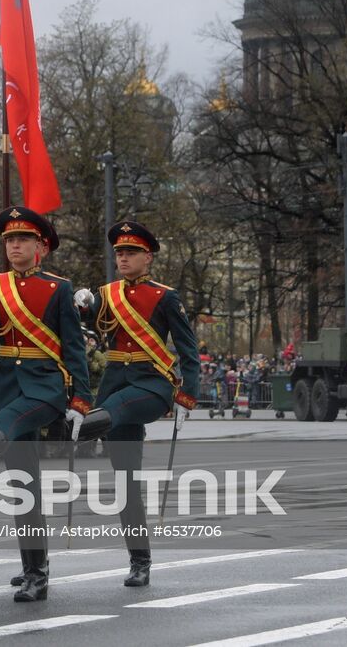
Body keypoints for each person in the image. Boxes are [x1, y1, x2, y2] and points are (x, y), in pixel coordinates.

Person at [0, 205, 99, 602]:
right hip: (6, 385)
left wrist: (80, 400)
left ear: (41, 247)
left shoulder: (58, 288)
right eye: (9, 240)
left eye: (22, 240)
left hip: (43, 387)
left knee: (7, 424)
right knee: (23, 484)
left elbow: (74, 347)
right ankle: (35, 568)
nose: (14, 245)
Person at [73, 220, 200, 588]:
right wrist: (82, 307)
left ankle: (74, 430)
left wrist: (187, 394)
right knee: (126, 481)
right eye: (119, 253)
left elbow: (188, 349)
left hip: (151, 385)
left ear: (148, 257)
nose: (123, 258)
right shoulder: (107, 293)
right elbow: (96, 326)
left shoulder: (165, 296)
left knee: (112, 414)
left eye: (130, 252)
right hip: (114, 384)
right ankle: (139, 560)